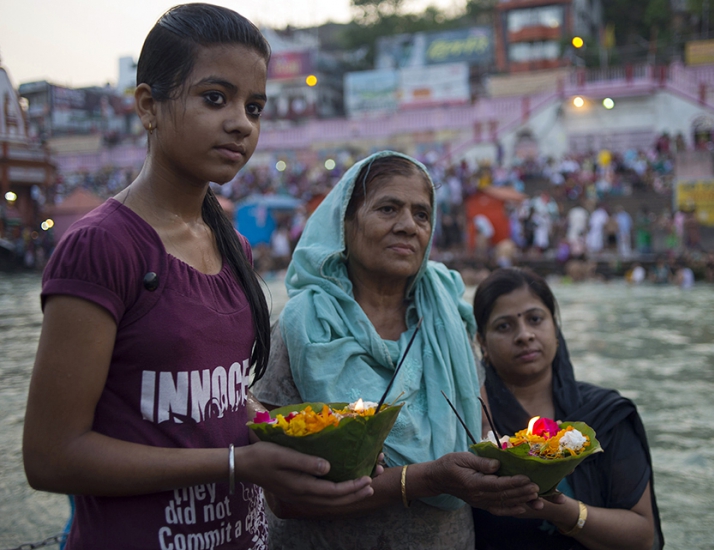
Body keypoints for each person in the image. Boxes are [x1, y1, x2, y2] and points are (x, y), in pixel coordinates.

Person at [23, 5, 375, 549]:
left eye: (253, 107)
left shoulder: (230, 242)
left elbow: (218, 397)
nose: (241, 122)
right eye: (215, 98)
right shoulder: (101, 247)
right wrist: (239, 464)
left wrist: (315, 442)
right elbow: (51, 457)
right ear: (148, 106)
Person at [252, 151, 540, 550]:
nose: (408, 226)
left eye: (422, 215)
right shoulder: (301, 327)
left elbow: (482, 431)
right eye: (388, 208)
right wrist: (424, 479)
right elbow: (282, 498)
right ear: (345, 224)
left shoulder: (447, 319)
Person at [472, 267, 663, 550]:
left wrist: (559, 510)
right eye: (504, 326)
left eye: (535, 319)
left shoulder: (606, 414)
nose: (524, 335)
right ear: (482, 343)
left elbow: (643, 537)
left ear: (555, 329)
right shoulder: (472, 420)